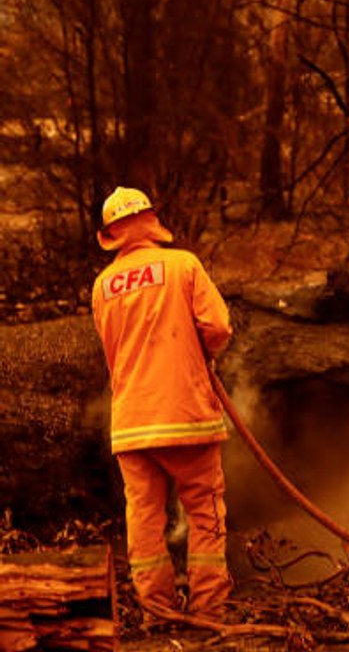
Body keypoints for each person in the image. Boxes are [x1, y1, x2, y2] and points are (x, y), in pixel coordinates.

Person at [91, 186, 233, 621]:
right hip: (186, 416)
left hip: (131, 423)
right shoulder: (182, 265)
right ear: (151, 221)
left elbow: (112, 352)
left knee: (144, 520)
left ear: (111, 234)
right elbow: (218, 327)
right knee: (205, 513)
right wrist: (202, 355)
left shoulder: (102, 286)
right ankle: (208, 609)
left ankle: (158, 611)